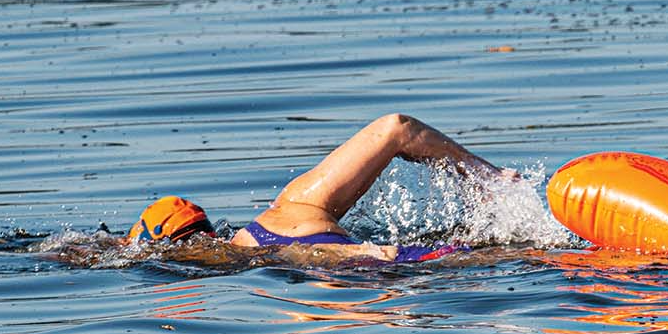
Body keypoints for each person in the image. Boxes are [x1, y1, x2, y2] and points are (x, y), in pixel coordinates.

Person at [126, 113, 513, 262]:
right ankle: (494, 184)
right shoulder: (293, 199)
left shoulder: (226, 259)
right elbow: (396, 128)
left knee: (391, 259)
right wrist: (487, 177)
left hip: (328, 264)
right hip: (299, 229)